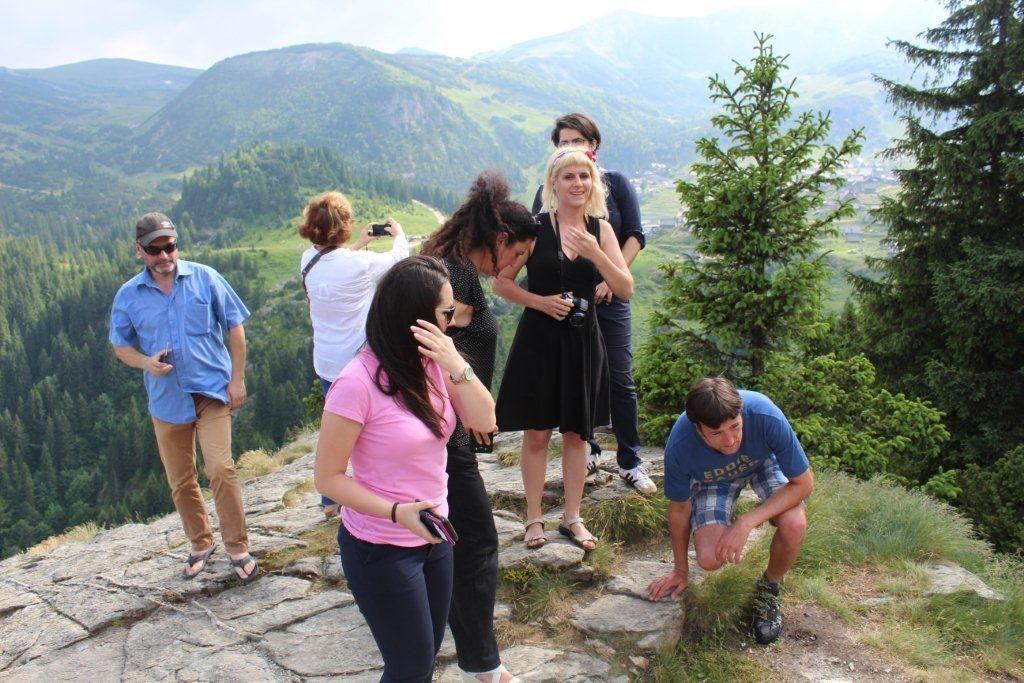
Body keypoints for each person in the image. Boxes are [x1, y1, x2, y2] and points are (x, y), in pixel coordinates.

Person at [313, 255, 497, 683]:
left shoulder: (433, 363)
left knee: (424, 658)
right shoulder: (355, 383)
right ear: (415, 318)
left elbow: (486, 423)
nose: (454, 320)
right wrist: (398, 512)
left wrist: (457, 365)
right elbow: (328, 479)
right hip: (380, 546)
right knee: (410, 666)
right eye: (447, 312)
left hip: (436, 536)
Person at [420, 171, 539, 683]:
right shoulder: (457, 280)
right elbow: (427, 344)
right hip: (441, 433)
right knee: (478, 541)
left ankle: (444, 630)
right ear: (501, 241)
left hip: (446, 428)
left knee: (447, 533)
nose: (514, 268)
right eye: (517, 257)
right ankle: (481, 664)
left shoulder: (450, 266)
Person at [494, 147, 634, 552]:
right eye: (569, 176)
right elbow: (502, 282)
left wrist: (595, 253)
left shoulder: (601, 229)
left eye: (584, 177)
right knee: (537, 433)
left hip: (583, 340)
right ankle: (534, 518)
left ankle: (573, 517)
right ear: (552, 183)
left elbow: (624, 288)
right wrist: (539, 301)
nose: (577, 183)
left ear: (593, 183)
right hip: (539, 339)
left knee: (578, 432)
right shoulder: (535, 229)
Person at [109, 212, 258, 582]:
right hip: (166, 401)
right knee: (181, 478)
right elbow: (120, 345)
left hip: (211, 392)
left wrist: (237, 379)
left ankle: (237, 547)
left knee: (220, 468)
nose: (164, 256)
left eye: (169, 246)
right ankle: (200, 542)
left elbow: (235, 327)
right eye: (154, 249)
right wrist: (145, 362)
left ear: (177, 244)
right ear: (139, 250)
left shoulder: (205, 277)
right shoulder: (129, 295)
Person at [531, 113, 654, 495]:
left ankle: (631, 460)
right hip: (568, 305)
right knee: (578, 378)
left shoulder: (614, 184)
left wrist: (608, 277)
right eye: (563, 142)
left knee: (619, 378)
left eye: (577, 140)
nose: (571, 148)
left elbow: (634, 235)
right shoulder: (546, 190)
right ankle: (588, 450)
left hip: (610, 297)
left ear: (593, 145)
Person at [647, 377, 814, 645]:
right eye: (716, 433)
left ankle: (769, 588)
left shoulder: (764, 413)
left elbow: (804, 483)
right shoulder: (680, 445)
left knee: (794, 523)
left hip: (762, 462)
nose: (730, 440)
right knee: (710, 559)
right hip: (714, 479)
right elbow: (679, 509)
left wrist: (746, 522)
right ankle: (724, 527)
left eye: (735, 426)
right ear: (698, 428)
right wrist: (680, 571)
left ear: (741, 413)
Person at [298, 191, 409, 514]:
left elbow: (335, 263)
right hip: (360, 364)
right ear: (344, 226)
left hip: (327, 362)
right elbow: (398, 260)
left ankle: (330, 499)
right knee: (371, 429)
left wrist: (358, 244)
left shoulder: (307, 260)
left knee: (336, 428)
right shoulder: (359, 265)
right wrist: (398, 234)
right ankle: (375, 492)